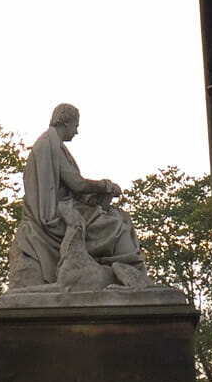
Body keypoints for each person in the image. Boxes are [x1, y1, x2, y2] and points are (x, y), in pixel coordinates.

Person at [8, 104, 151, 289]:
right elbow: (76, 183)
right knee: (115, 224)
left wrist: (95, 197)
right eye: (76, 126)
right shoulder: (48, 144)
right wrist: (105, 185)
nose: (76, 132)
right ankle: (134, 277)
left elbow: (72, 188)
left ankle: (133, 276)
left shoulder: (53, 144)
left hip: (66, 205)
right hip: (57, 214)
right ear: (66, 122)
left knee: (120, 217)